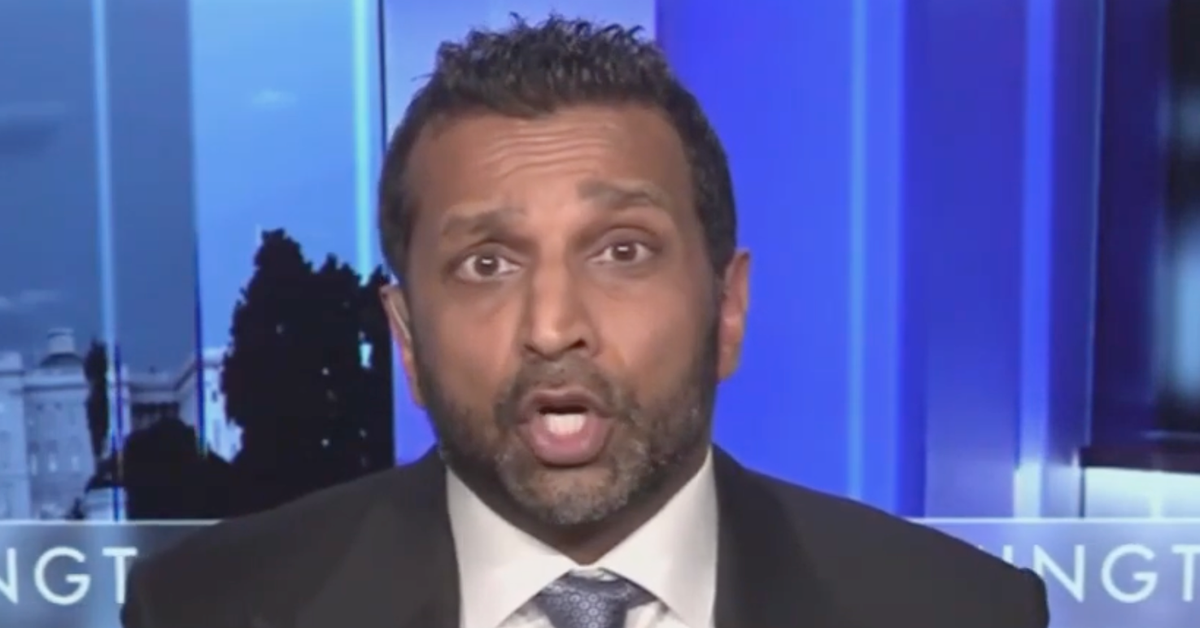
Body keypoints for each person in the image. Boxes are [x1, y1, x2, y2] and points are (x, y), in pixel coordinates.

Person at [120, 16, 1049, 628]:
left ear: (728, 307)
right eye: (488, 264)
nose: (554, 324)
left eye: (622, 251)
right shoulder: (209, 610)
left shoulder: (954, 611)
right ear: (406, 339)